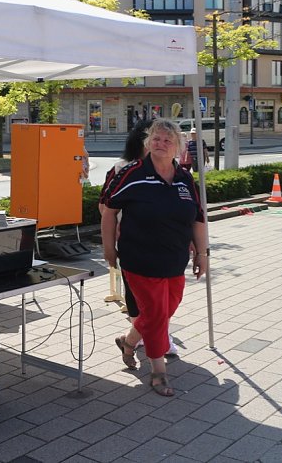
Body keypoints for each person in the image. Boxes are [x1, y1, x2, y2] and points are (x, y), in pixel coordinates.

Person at [101, 118, 207, 396]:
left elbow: (197, 218)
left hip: (174, 260)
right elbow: (109, 209)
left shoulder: (185, 178)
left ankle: (128, 340)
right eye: (156, 139)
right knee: (158, 314)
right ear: (148, 144)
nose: (161, 144)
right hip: (139, 258)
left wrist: (202, 253)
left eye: (167, 140)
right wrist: (109, 248)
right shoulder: (133, 173)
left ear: (178, 148)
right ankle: (158, 373)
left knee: (166, 308)